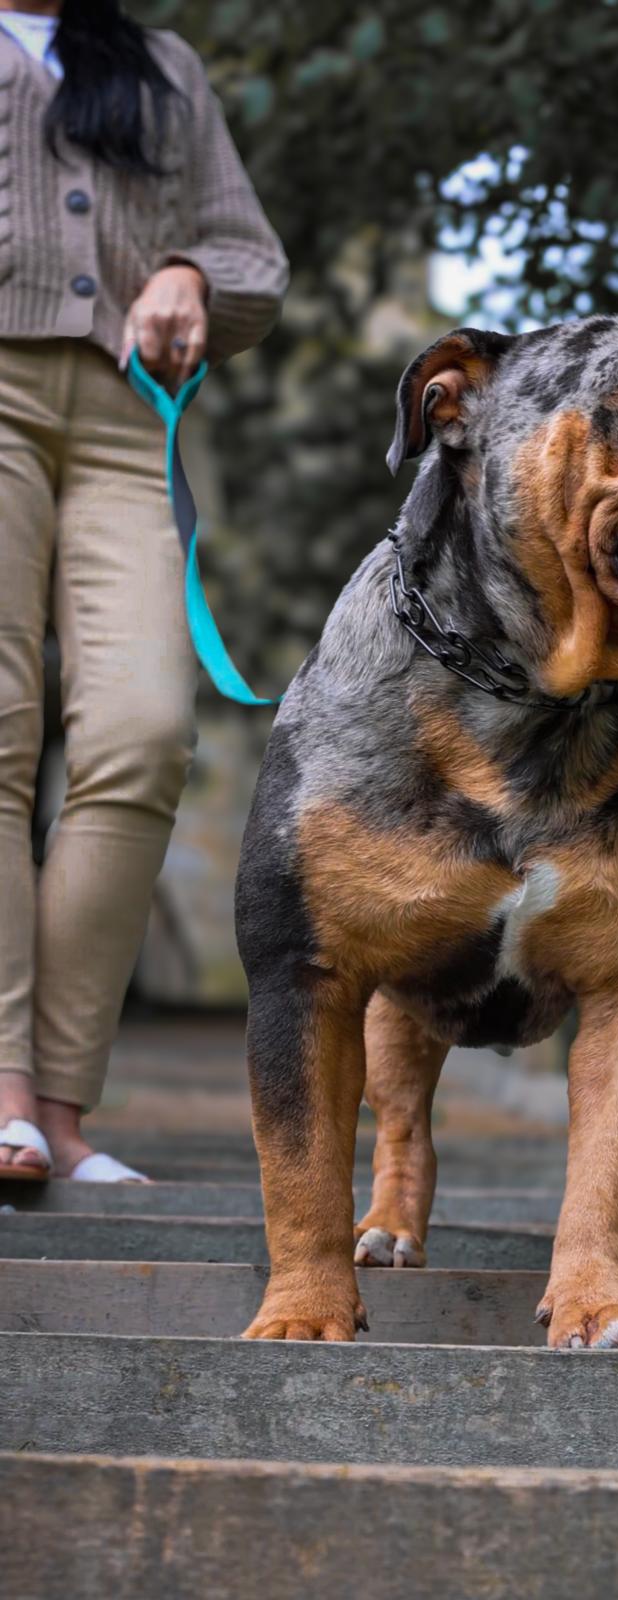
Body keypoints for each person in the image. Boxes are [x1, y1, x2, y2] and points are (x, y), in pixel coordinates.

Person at [0, 0, 288, 1181]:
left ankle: (63, 1116)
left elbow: (249, 258)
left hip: (129, 424)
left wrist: (184, 277)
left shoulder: (161, 67)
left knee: (143, 732)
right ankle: (7, 1090)